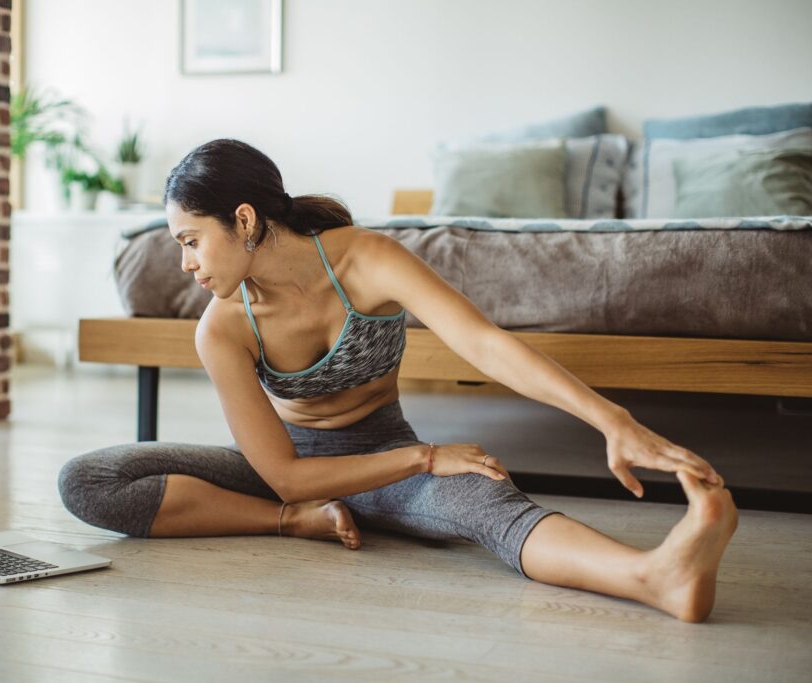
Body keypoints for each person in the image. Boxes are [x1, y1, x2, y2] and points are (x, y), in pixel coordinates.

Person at [59, 139, 738, 623]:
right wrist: (419, 459)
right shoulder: (222, 327)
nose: (184, 264)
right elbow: (289, 472)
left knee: (486, 503)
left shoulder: (367, 259)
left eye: (189, 239)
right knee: (88, 479)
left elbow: (483, 343)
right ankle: (290, 526)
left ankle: (656, 576)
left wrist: (611, 419)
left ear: (243, 219)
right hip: (288, 470)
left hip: (385, 461)